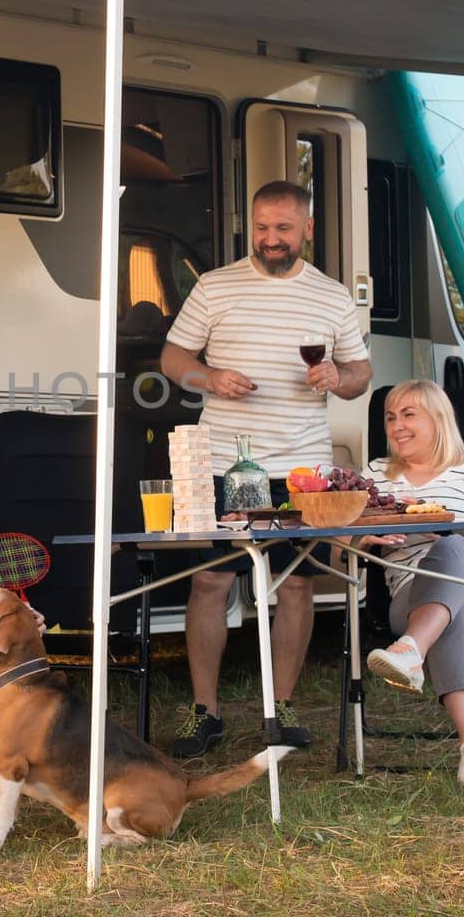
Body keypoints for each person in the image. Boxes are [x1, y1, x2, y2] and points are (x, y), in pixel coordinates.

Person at [160, 180, 372, 756]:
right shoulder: (215, 286)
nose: (269, 239)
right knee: (211, 580)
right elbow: (173, 357)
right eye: (261, 227)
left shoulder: (331, 297)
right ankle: (205, 714)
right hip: (226, 462)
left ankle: (280, 710)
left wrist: (338, 379)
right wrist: (210, 379)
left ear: (307, 229)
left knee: (296, 585)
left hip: (302, 466)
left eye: (282, 228)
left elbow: (360, 374)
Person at [358, 379, 464, 786]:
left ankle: (412, 648)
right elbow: (337, 549)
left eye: (409, 415)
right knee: (453, 608)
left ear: (438, 419)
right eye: (391, 417)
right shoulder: (376, 475)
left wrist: (439, 526)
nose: (397, 426)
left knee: (454, 546)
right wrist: (363, 536)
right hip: (411, 594)